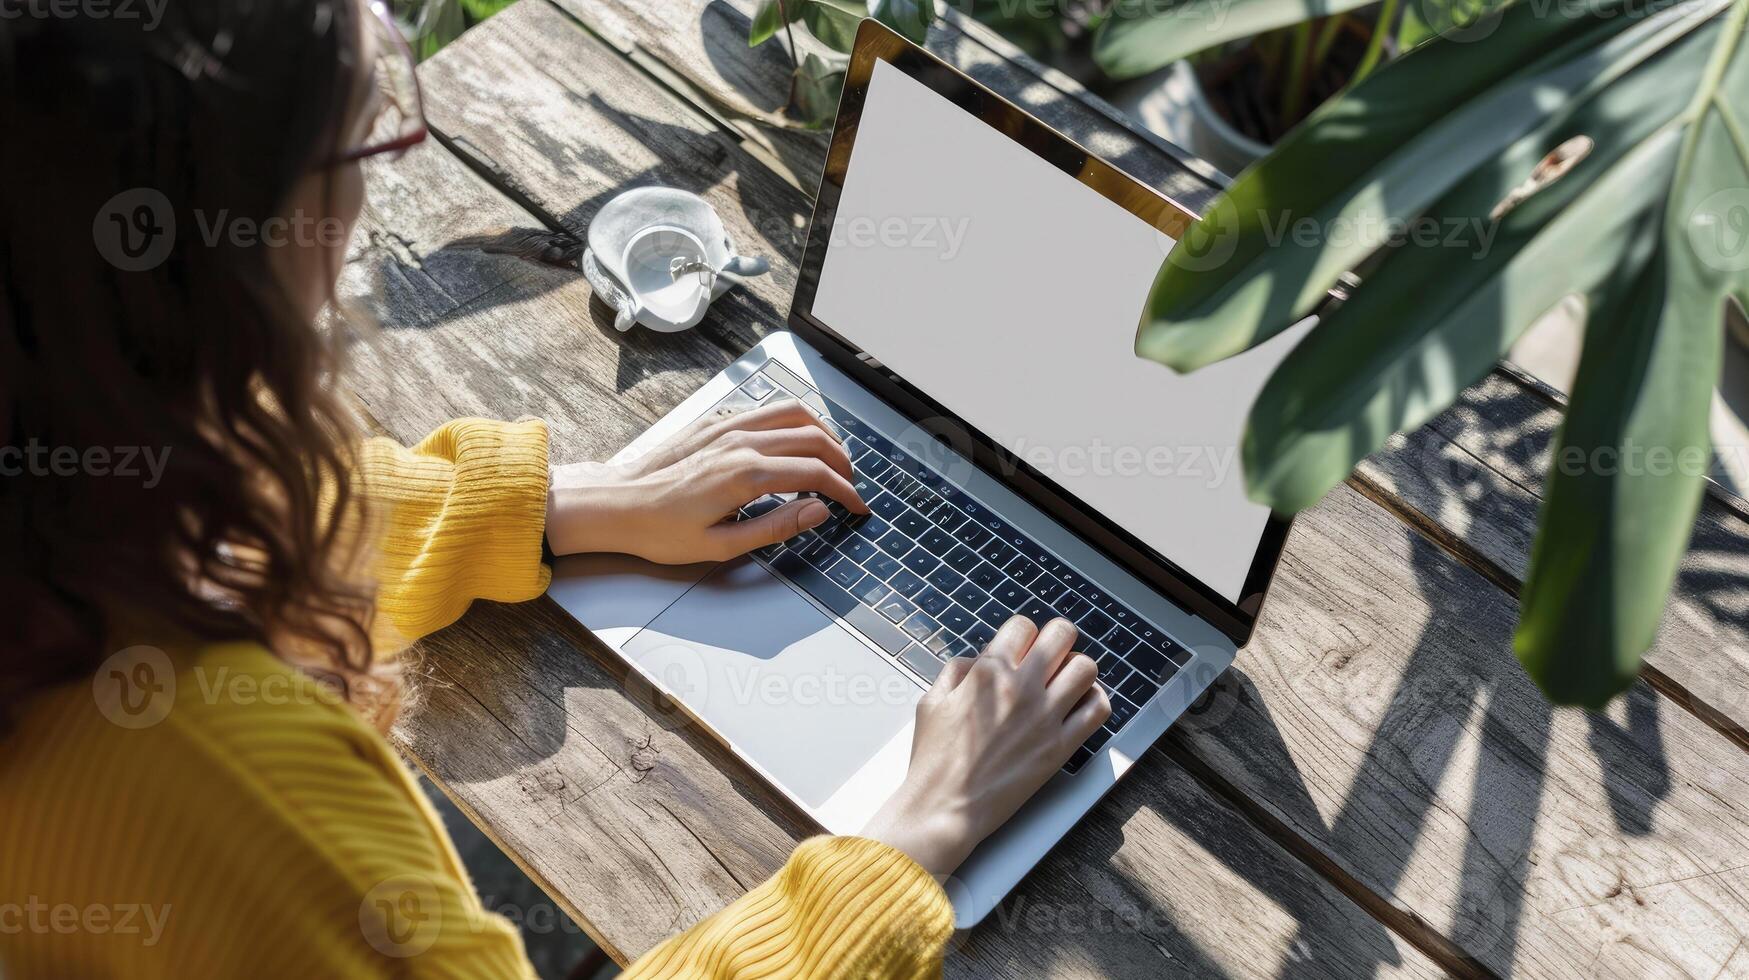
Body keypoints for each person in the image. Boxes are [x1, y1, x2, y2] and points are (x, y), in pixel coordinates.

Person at [0, 1, 1111, 976]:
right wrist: (917, 830)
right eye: (357, 133)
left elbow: (199, 524)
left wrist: (566, 502)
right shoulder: (249, 799)